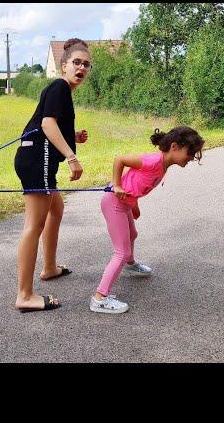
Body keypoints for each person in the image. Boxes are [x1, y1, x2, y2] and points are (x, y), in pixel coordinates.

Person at [90, 126, 205, 314]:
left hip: (124, 204)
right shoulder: (153, 161)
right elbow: (120, 159)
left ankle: (131, 265)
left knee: (132, 234)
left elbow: (135, 181)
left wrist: (134, 205)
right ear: (174, 147)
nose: (191, 157)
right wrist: (117, 185)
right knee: (121, 251)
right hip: (114, 202)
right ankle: (99, 298)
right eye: (190, 152)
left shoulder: (163, 165)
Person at [13, 38, 90, 312]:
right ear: (63, 65)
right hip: (37, 162)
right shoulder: (59, 86)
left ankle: (49, 267)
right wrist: (72, 157)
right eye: (76, 62)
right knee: (34, 225)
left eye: (86, 64)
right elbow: (46, 124)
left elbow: (52, 124)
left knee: (56, 210)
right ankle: (25, 294)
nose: (82, 67)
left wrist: (73, 137)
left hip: (37, 159)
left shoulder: (61, 91)